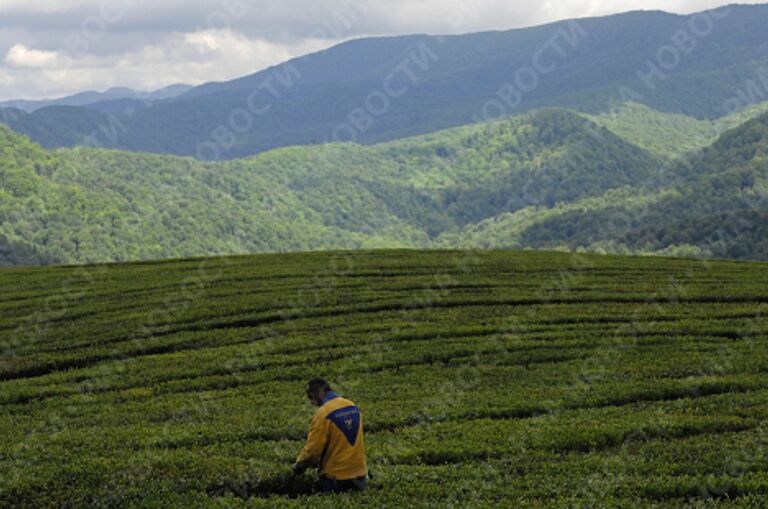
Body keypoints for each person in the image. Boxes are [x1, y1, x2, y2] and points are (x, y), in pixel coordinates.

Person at [293, 378, 369, 493]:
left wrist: (299, 466)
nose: (311, 402)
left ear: (319, 392)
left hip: (336, 476)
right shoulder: (352, 406)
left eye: (310, 397)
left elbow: (313, 451)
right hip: (359, 473)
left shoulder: (323, 413)